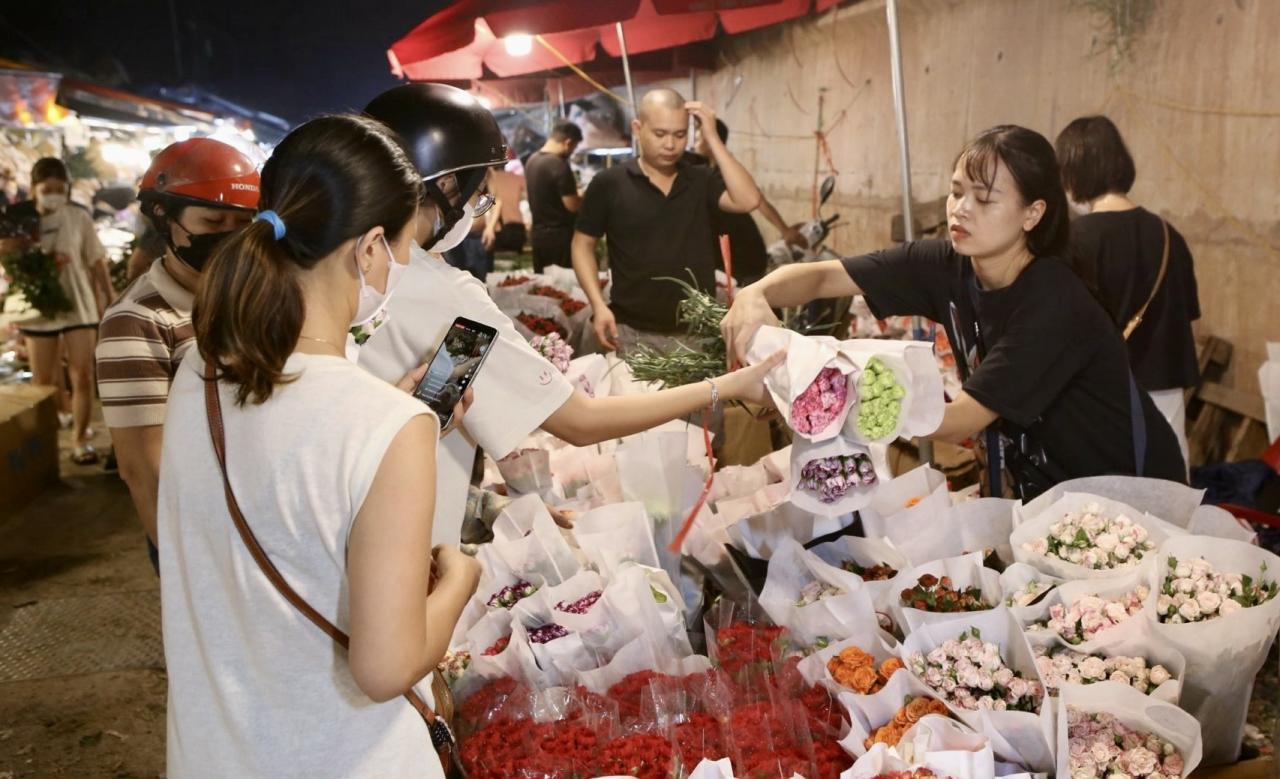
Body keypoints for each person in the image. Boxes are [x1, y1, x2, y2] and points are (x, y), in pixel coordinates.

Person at [157, 113, 477, 777]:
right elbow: (385, 665)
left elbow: (287, 469)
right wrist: (464, 582)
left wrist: (393, 419)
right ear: (366, 250)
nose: (400, 267)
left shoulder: (201, 368)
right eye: (401, 248)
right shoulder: (385, 426)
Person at [358, 83, 783, 546]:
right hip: (404, 546)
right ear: (445, 185)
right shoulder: (454, 301)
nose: (479, 212)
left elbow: (429, 410)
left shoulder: (349, 268)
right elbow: (578, 422)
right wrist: (729, 386)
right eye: (481, 196)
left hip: (353, 522)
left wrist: (477, 506)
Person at [721, 125, 1186, 498]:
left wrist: (817, 393)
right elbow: (823, 277)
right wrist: (754, 295)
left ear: (1033, 213)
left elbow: (958, 421)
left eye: (983, 199)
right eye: (955, 191)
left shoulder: (1053, 302)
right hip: (1050, 490)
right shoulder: (947, 264)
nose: (960, 210)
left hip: (1128, 490)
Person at [95, 138, 260, 572]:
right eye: (212, 220)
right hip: (199, 539)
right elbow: (143, 470)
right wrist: (188, 572)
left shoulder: (249, 297)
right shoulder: (134, 323)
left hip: (258, 523)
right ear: (164, 216)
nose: (229, 234)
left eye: (241, 222)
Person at [1056, 115, 1200, 469]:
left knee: (1108, 516)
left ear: (1073, 173)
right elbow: (1188, 317)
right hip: (1166, 401)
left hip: (1102, 404)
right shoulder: (1170, 237)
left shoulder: (1074, 242)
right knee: (1168, 511)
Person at [573, 88, 763, 354]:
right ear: (638, 129)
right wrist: (597, 304)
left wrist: (712, 138)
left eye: (680, 134)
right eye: (660, 134)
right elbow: (582, 245)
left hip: (697, 331)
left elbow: (748, 199)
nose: (671, 145)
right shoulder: (610, 183)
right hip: (631, 330)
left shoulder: (700, 179)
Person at [1, 158, 113, 464]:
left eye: (59, 189)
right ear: (35, 188)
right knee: (44, 381)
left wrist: (109, 295)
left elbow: (96, 259)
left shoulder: (79, 217)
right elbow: (5, 256)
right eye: (47, 189)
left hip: (78, 305)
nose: (53, 194)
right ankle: (47, 436)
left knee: (82, 374)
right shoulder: (20, 218)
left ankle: (80, 439)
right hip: (38, 308)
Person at [686, 117, 805, 286]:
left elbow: (759, 201)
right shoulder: (701, 173)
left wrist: (785, 230)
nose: (694, 144)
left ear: (710, 138)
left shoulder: (727, 173)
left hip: (742, 250)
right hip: (724, 252)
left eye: (698, 139)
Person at [525, 119, 583, 272]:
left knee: (543, 285)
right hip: (559, 239)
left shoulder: (532, 161)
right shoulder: (559, 165)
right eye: (574, 147)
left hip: (538, 236)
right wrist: (587, 197)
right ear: (568, 142)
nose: (572, 152)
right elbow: (572, 205)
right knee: (562, 287)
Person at [483, 163, 528, 258]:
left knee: (499, 266)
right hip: (518, 228)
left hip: (499, 229)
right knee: (516, 265)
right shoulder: (516, 177)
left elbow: (494, 203)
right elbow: (530, 195)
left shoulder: (490, 179)